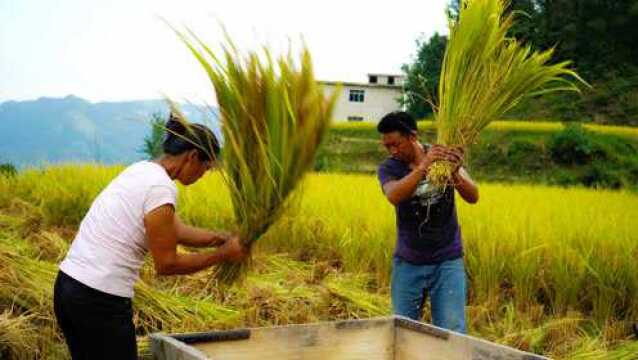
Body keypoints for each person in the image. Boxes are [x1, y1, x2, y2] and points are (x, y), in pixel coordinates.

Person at [53, 113, 247, 359]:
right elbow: (167, 264)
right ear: (193, 157)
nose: (203, 175)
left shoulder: (142, 170)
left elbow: (175, 231)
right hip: (98, 299)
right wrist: (224, 254)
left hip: (69, 288)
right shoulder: (160, 188)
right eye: (206, 167)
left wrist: (219, 238)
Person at [376, 111, 479, 333]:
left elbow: (473, 196)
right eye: (387, 147)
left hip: (447, 260)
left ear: (412, 136)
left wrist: (455, 174)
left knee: (452, 330)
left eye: (396, 144)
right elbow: (393, 195)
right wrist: (423, 168)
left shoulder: (442, 155)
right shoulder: (390, 168)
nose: (392, 151)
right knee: (402, 332)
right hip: (408, 261)